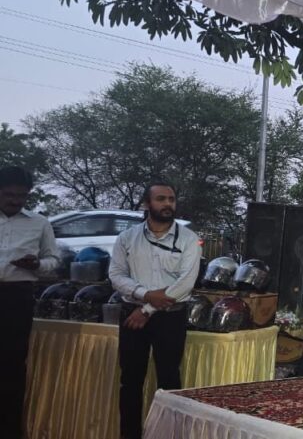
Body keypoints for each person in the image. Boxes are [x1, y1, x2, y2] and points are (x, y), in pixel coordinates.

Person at [110, 182, 202, 439]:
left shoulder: (188, 239)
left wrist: (148, 308)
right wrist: (145, 295)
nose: (168, 204)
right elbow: (116, 275)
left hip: (170, 317)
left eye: (171, 199)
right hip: (132, 313)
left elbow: (185, 283)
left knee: (169, 382)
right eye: (161, 199)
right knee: (130, 381)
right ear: (146, 204)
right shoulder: (127, 238)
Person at [0, 166, 58, 438]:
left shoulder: (39, 223)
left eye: (21, 195)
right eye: (9, 194)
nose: (15, 200)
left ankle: (10, 430)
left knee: (12, 364)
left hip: (17, 297)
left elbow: (53, 260)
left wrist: (37, 265)